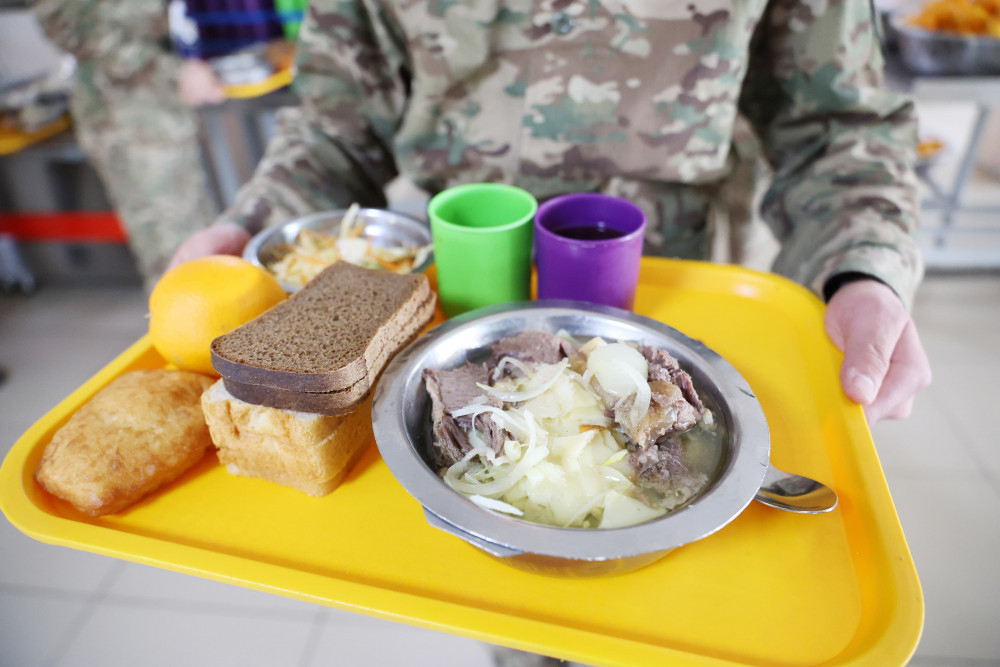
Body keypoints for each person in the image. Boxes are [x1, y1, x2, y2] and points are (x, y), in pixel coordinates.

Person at [170, 0, 931, 424]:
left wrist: (863, 264)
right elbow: (339, 122)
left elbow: (840, 127)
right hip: (455, 327)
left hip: (681, 313)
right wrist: (258, 224)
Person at [32, 0, 224, 292]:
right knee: (174, 258)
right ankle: (189, 335)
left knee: (198, 244)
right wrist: (174, 71)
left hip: (160, 112)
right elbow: (74, 31)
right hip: (127, 123)